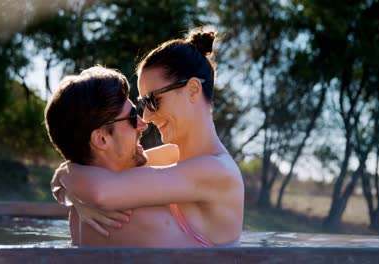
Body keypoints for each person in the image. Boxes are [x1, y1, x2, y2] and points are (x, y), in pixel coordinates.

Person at [52, 27, 245, 247]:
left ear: (192, 90)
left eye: (153, 101)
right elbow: (66, 179)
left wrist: (74, 190)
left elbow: (99, 190)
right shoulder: (170, 157)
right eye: (142, 104)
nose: (147, 116)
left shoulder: (218, 171)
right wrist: (75, 199)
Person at [44, 65, 202, 247]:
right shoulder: (144, 216)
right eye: (132, 116)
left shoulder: (79, 209)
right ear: (101, 139)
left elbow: (60, 178)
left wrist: (70, 192)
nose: (143, 124)